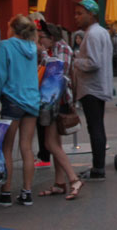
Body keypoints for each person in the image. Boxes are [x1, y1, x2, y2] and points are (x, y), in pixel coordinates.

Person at [0, 15, 41, 206]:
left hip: (12, 100)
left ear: (12, 29)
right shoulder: (32, 48)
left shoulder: (6, 46)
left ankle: (6, 192)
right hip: (32, 101)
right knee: (26, 148)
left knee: (7, 148)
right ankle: (27, 192)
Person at [35, 21, 82, 200]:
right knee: (56, 144)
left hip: (57, 100)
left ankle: (73, 179)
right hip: (56, 100)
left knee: (50, 144)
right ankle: (59, 182)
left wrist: (42, 57)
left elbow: (57, 74)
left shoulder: (62, 49)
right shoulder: (55, 48)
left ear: (51, 38)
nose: (41, 42)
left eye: (42, 39)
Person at [73, 0, 113, 181]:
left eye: (80, 13)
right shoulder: (100, 32)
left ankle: (98, 168)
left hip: (92, 87)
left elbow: (93, 63)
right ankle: (98, 166)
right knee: (97, 126)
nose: (77, 17)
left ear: (91, 14)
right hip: (98, 86)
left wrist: (76, 60)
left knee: (95, 127)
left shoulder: (93, 34)